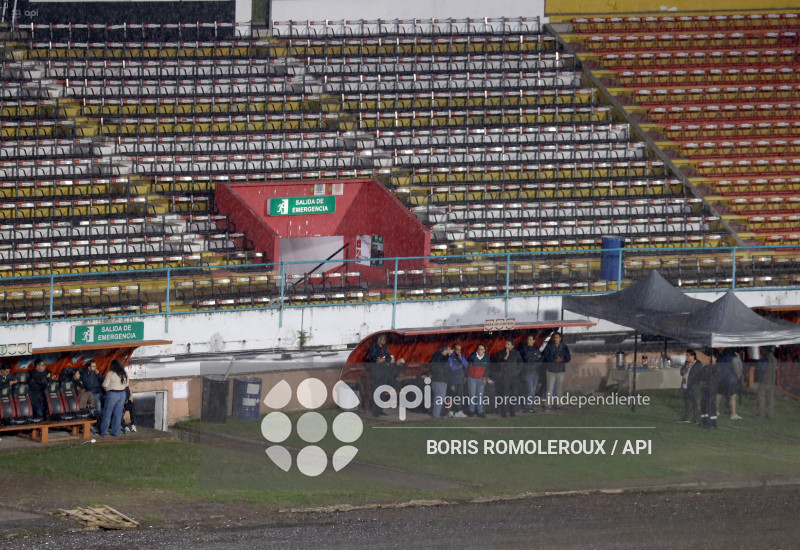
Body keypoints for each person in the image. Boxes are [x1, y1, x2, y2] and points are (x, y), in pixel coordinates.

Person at [490, 339, 522, 418]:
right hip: (505, 377)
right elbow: (500, 364)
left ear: (512, 346)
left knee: (514, 394)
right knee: (504, 394)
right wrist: (506, 355)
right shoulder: (501, 352)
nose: (506, 346)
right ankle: (503, 411)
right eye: (506, 344)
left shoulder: (516, 353)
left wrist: (517, 371)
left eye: (508, 344)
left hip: (514, 377)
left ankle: (512, 411)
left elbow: (520, 363)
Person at [99, 360, 129, 437]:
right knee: (118, 414)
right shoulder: (124, 373)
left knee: (107, 413)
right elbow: (126, 385)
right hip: (122, 394)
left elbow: (105, 384)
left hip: (112, 394)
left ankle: (103, 432)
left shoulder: (110, 373)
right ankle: (116, 432)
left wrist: (107, 390)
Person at [366, 334, 393, 417]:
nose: (385, 341)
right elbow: (374, 359)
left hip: (383, 372)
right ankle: (375, 411)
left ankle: (380, 409)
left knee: (382, 390)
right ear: (379, 339)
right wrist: (382, 360)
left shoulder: (384, 348)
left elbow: (389, 357)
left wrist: (383, 359)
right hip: (376, 372)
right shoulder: (373, 348)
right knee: (376, 391)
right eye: (383, 339)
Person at [542, 332, 571, 410]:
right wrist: (554, 359)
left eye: (557, 337)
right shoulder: (549, 346)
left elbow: (568, 358)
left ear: (560, 338)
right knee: (549, 389)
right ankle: (548, 405)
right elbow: (545, 357)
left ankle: (560, 405)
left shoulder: (564, 347)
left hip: (560, 370)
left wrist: (562, 360)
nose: (555, 339)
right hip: (551, 370)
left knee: (559, 388)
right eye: (554, 337)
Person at [716, 349, 742, 420]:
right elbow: (737, 370)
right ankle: (733, 414)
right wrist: (738, 377)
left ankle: (714, 410)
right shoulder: (734, 358)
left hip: (721, 379)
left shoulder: (720, 357)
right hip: (731, 380)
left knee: (719, 395)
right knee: (733, 397)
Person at [519, 334, 543, 413]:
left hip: (535, 372)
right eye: (528, 339)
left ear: (533, 341)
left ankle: (530, 406)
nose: (529, 341)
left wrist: (536, 360)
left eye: (530, 339)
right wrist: (535, 359)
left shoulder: (536, 349)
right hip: (527, 372)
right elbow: (526, 359)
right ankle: (526, 406)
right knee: (529, 389)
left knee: (533, 390)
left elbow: (540, 359)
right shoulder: (524, 349)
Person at [429, 344, 453, 419]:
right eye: (448, 349)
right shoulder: (439, 357)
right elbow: (441, 361)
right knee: (439, 398)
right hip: (439, 380)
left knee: (439, 398)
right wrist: (448, 355)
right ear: (445, 350)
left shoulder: (437, 356)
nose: (450, 351)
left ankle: (438, 413)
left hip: (441, 380)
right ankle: (436, 415)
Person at [680, 349, 703, 424]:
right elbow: (682, 370)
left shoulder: (698, 364)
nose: (686, 357)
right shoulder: (686, 363)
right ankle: (686, 417)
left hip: (693, 386)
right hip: (685, 385)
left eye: (688, 356)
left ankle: (695, 418)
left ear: (693, 356)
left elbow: (697, 376)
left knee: (694, 403)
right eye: (686, 355)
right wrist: (683, 371)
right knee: (686, 402)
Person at [466, 344, 490, 418]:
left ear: (484, 350)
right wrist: (466, 376)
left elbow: (487, 369)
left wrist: (485, 378)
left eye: (481, 349)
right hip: (472, 378)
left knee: (480, 395)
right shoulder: (472, 356)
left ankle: (480, 411)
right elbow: (468, 366)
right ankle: (471, 411)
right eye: (479, 349)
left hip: (481, 378)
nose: (480, 350)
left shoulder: (487, 357)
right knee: (472, 395)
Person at [447, 344, 468, 418]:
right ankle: (451, 411)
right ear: (454, 349)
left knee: (459, 396)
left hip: (460, 379)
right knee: (452, 395)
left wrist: (461, 359)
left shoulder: (461, 356)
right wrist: (460, 366)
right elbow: (452, 368)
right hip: (453, 379)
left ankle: (458, 411)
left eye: (460, 349)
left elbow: (466, 365)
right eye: (457, 349)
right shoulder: (450, 356)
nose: (459, 351)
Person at [756, 346, 777, 419]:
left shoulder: (765, 359)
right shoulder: (775, 359)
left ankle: (760, 414)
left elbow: (761, 370)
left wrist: (757, 369)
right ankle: (770, 414)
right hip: (772, 382)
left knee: (761, 398)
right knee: (770, 400)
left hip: (764, 381)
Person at [699, 351, 719, 429]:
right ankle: (704, 421)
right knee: (703, 404)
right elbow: (702, 377)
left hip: (712, 389)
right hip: (705, 388)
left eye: (712, 357)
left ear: (715, 358)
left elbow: (716, 378)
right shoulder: (706, 367)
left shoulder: (717, 367)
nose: (710, 359)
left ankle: (712, 423)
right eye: (709, 357)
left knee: (710, 405)